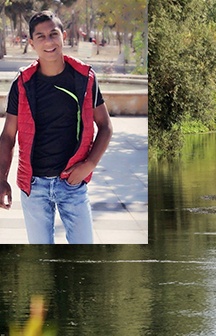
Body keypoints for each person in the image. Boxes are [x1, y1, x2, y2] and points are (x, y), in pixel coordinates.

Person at [0, 11, 112, 244]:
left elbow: (105, 126)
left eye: (53, 34)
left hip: (72, 183)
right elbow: (8, 137)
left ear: (64, 35)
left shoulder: (84, 78)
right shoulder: (22, 84)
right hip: (34, 187)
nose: (48, 41)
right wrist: (1, 178)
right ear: (31, 43)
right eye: (40, 36)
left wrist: (89, 165)